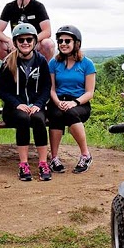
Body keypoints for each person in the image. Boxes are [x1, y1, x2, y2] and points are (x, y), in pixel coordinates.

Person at [0, 23, 53, 182]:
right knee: (23, 119)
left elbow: (46, 86)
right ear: (15, 42)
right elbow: (3, 90)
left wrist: (38, 104)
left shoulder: (41, 61)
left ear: (35, 41)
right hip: (13, 108)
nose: (25, 42)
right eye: (21, 40)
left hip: (36, 105)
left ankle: (43, 163)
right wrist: (17, 104)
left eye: (29, 39)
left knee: (38, 119)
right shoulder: (8, 62)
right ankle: (24, 164)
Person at [47, 25, 96, 174]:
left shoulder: (87, 64)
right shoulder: (54, 63)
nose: (63, 43)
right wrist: (57, 102)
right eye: (60, 40)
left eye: (67, 41)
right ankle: (54, 158)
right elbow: (52, 88)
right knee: (55, 115)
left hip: (79, 102)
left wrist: (74, 103)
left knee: (70, 113)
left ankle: (85, 155)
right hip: (58, 100)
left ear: (77, 43)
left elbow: (89, 92)